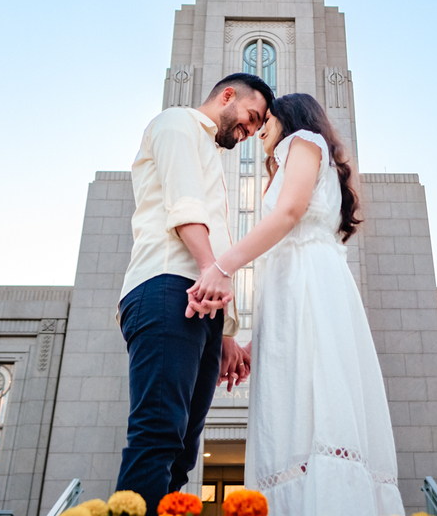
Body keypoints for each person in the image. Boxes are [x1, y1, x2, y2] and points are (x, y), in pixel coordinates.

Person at [188, 93, 405, 515]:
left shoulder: (303, 141)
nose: (260, 132)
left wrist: (222, 267)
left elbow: (289, 212)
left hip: (311, 282)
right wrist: (258, 345)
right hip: (295, 289)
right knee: (294, 413)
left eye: (266, 121)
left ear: (288, 119)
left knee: (318, 404)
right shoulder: (289, 158)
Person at [115, 72, 274, 512]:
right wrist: (209, 267)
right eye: (250, 117)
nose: (248, 131)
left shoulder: (208, 151)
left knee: (184, 452)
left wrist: (225, 335)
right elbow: (184, 203)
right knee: (157, 434)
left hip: (200, 304)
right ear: (228, 96)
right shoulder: (177, 123)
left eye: (256, 127)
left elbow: (214, 235)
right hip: (167, 287)